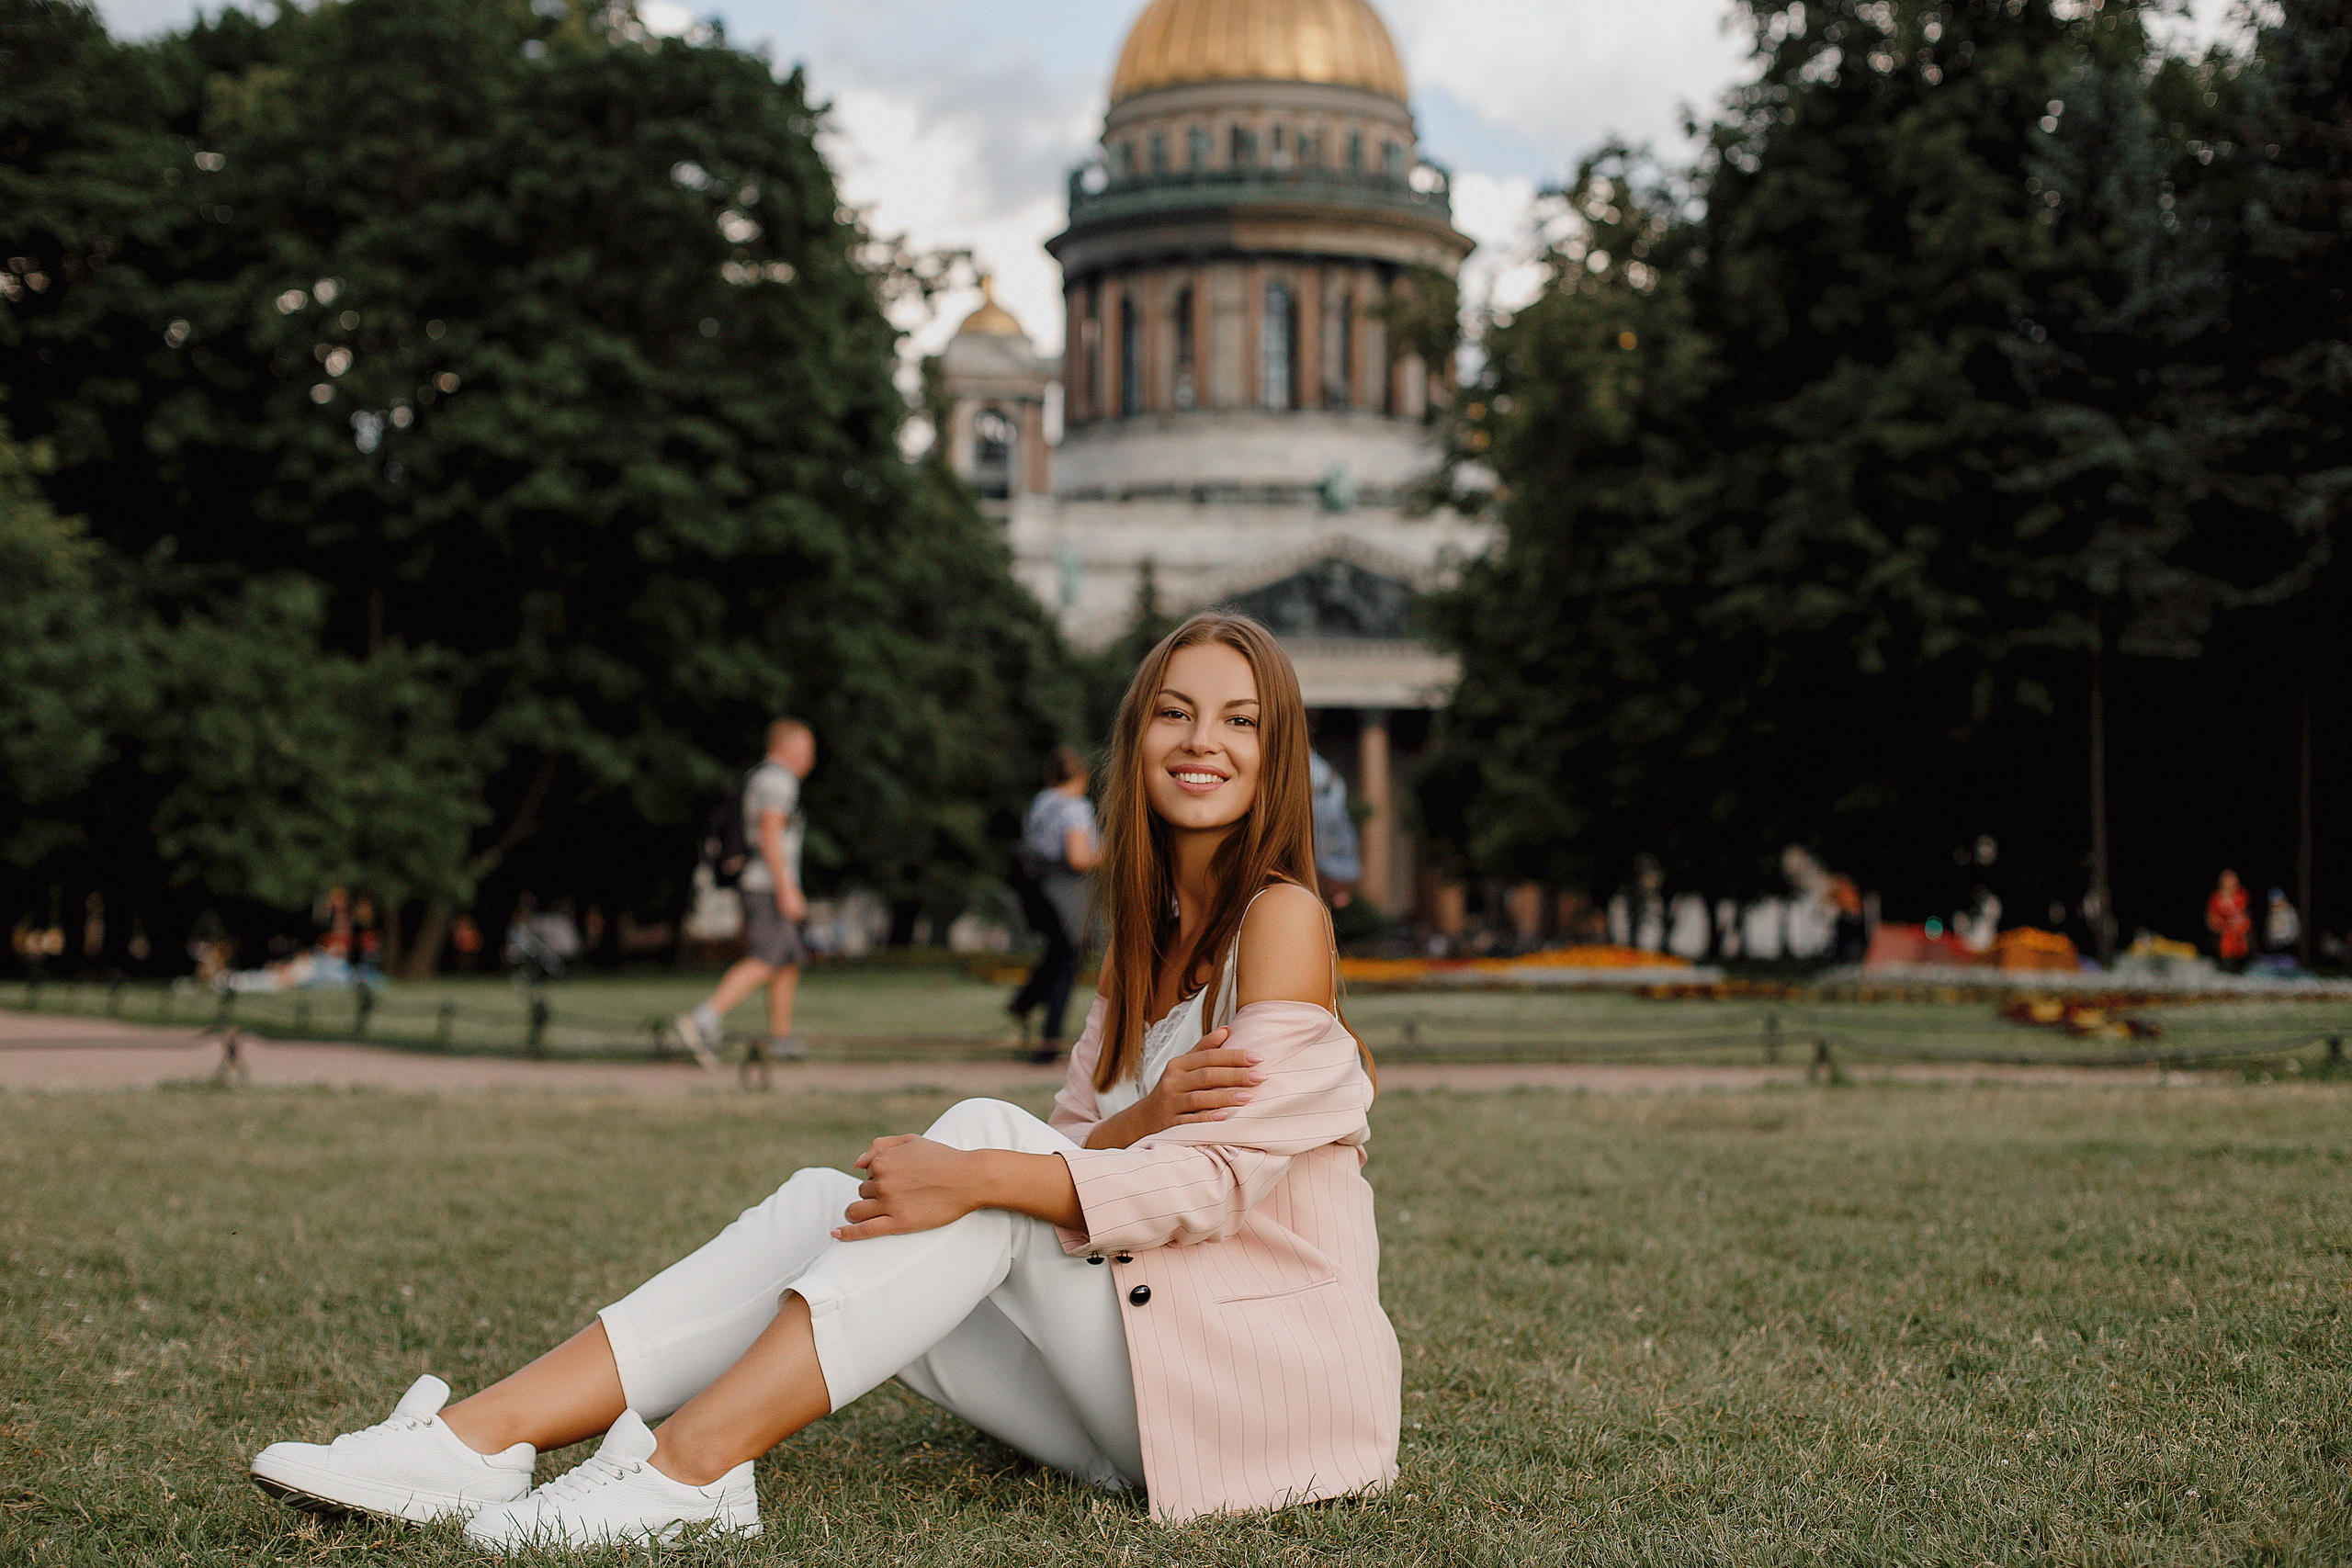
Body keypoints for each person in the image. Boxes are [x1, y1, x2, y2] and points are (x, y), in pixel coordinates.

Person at [246, 614, 1395, 1546]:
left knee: (982, 1150)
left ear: (1276, 753)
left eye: (1241, 721)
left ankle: (687, 1472)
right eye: (1175, 714)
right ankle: (473, 1445)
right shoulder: (1143, 945)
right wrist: (1126, 1117)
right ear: (1136, 740)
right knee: (824, 1203)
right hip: (1142, 1394)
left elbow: (1214, 1183)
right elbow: (1095, 1161)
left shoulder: (1279, 921)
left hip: (1262, 1408)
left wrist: (984, 1168)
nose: (1205, 742)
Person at [673, 720, 815, 1069]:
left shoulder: (761, 776)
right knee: (766, 958)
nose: (810, 757)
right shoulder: (778, 781)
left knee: (787, 959)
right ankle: (702, 1020)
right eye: (806, 748)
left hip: (763, 883)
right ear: (787, 747)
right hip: (768, 885)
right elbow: (769, 835)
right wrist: (787, 890)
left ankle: (780, 1038)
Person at [1007, 745, 1099, 1064]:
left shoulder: (1041, 803)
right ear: (1082, 776)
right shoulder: (1075, 808)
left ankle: (1024, 1001)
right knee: (1067, 963)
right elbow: (1078, 857)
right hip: (1065, 893)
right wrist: (1112, 852)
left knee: (1056, 954)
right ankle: (1050, 1042)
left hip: (1038, 890)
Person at [2206, 868, 2252, 972]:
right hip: (2222, 930)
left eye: (2231, 879)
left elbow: (2243, 915)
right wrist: (2221, 925)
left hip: (2238, 930)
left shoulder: (2242, 895)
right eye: (2226, 879)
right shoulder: (2216, 898)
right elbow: (2212, 919)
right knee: (2224, 940)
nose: (2229, 882)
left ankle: (2241, 965)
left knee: (2241, 935)